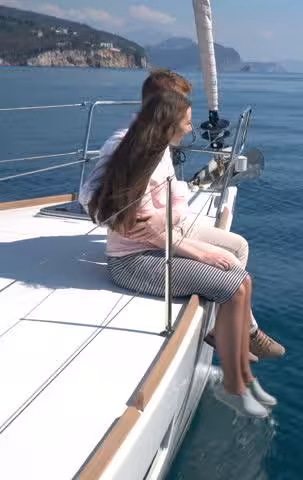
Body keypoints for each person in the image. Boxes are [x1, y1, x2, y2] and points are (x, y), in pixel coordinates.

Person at [79, 68, 285, 361]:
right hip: (142, 250)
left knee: (237, 248)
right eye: (181, 108)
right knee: (232, 272)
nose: (190, 124)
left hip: (167, 232)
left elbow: (157, 208)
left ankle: (226, 327)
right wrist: (121, 219)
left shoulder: (157, 144)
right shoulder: (125, 146)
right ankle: (240, 330)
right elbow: (103, 202)